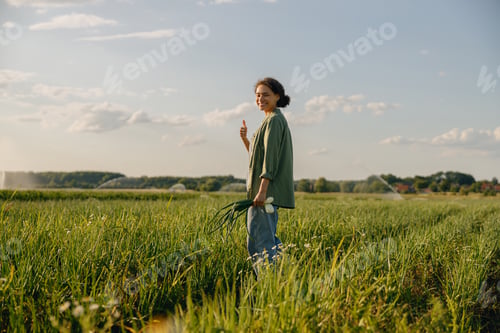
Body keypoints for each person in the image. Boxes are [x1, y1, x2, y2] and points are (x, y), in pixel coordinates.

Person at [240, 77, 295, 274]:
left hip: (263, 195)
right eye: (257, 95)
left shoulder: (273, 121)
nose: (260, 98)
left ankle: (269, 287)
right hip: (261, 194)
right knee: (267, 240)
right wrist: (246, 139)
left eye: (265, 94)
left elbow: (269, 160)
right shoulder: (270, 120)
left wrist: (262, 191)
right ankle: (285, 278)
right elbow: (257, 158)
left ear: (277, 96)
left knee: (259, 243)